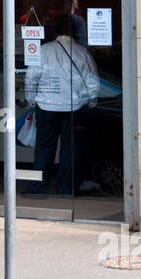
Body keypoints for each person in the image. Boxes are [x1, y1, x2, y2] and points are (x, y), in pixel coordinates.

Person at [23, 15, 99, 196]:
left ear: (54, 31)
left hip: (47, 107)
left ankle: (38, 188)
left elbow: (31, 78)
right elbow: (92, 81)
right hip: (74, 108)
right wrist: (91, 101)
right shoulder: (82, 52)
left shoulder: (44, 51)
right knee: (70, 150)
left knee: (43, 150)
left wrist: (32, 100)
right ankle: (66, 189)